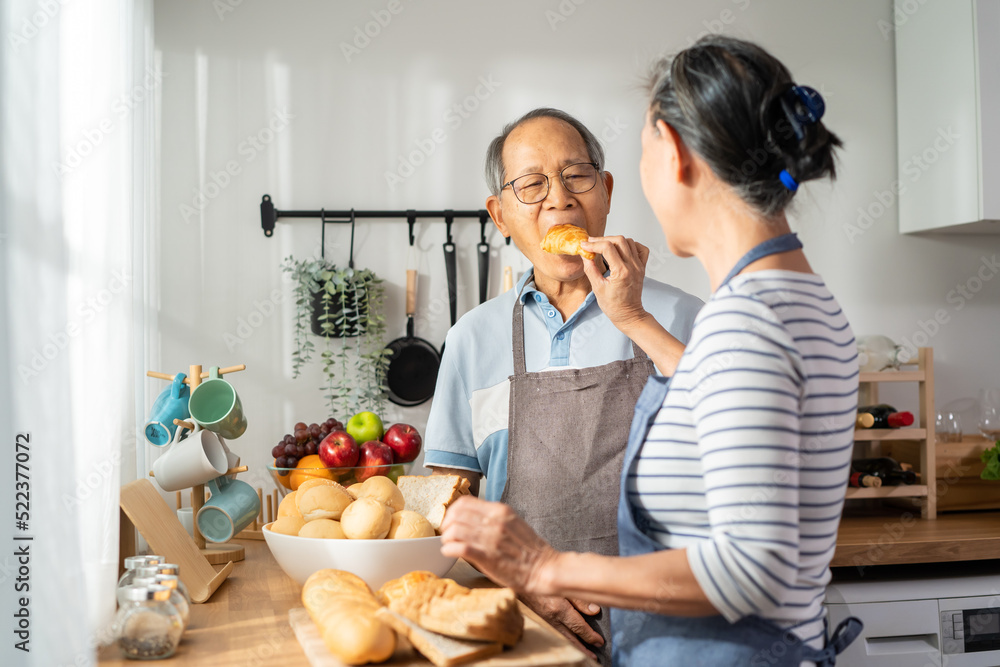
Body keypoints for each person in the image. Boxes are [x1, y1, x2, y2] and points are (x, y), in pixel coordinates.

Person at [439, 36, 863, 667]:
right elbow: (722, 401)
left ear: (675, 154)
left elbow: (751, 569)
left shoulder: (747, 320)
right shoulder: (790, 302)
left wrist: (546, 566)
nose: (561, 197)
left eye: (639, 154)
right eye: (532, 185)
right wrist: (633, 318)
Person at [423, 107, 703, 663]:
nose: (559, 199)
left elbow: (733, 474)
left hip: (674, 628)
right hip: (523, 631)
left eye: (578, 176)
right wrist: (530, 583)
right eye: (531, 185)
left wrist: (634, 319)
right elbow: (450, 507)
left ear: (606, 190)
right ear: (499, 215)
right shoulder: (470, 340)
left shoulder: (683, 319)